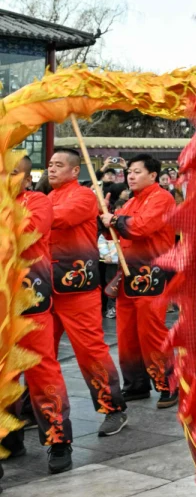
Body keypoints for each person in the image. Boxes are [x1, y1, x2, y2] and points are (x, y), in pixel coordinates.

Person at [0, 155, 74, 475]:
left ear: (28, 179)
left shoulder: (38, 202)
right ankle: (10, 437)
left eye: (13, 173)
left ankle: (58, 440)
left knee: (42, 371)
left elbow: (27, 232)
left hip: (31, 300)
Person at [46, 149, 127, 435]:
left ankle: (113, 408)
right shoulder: (47, 198)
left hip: (77, 288)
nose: (51, 169)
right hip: (46, 288)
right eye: (50, 165)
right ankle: (39, 409)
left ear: (74, 171)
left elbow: (58, 218)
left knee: (90, 351)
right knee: (41, 355)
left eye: (58, 165)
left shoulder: (83, 196)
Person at [101, 154, 178, 408]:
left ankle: (168, 383)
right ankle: (136, 384)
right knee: (127, 335)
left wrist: (113, 220)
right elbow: (114, 235)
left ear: (153, 175)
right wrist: (104, 217)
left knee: (151, 333)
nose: (130, 176)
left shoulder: (162, 198)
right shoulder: (131, 202)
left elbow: (140, 227)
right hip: (127, 275)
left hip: (152, 274)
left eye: (136, 172)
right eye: (129, 172)